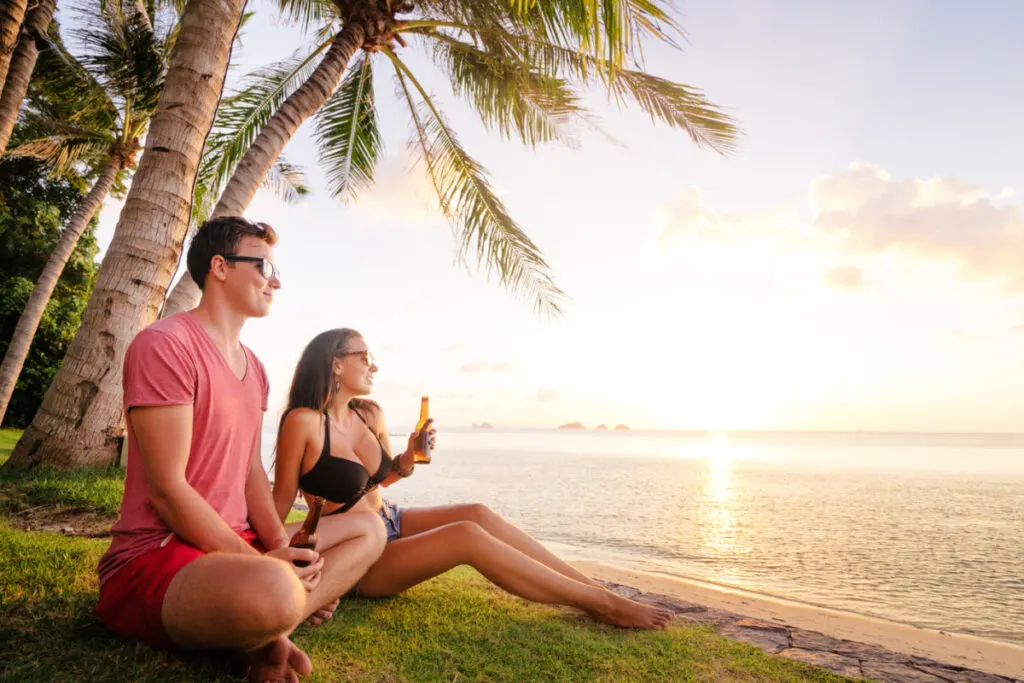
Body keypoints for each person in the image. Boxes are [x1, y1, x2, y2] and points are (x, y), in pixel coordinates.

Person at [95, 218, 386, 683]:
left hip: (236, 547)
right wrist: (264, 565)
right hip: (158, 555)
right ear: (220, 267)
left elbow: (252, 475)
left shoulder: (255, 367)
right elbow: (169, 491)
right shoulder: (166, 346)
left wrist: (280, 549)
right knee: (275, 586)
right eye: (264, 265)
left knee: (367, 529)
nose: (276, 279)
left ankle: (263, 630)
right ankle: (267, 625)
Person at [272, 328, 674, 630]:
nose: (374, 365)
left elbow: (378, 483)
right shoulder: (303, 423)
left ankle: (593, 588)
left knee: (477, 512)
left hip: (390, 519)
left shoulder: (366, 415)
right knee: (466, 535)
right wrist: (287, 566)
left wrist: (409, 456)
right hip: (361, 554)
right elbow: (279, 505)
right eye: (366, 356)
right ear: (336, 363)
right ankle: (600, 604)